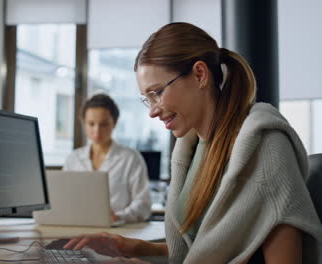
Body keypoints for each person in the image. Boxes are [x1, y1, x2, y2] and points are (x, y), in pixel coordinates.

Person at [63, 22, 322, 263]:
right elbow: (199, 253)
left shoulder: (266, 148)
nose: (152, 111)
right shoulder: (194, 151)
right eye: (147, 98)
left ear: (199, 75)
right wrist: (132, 248)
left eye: (158, 93)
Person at [63, 93, 152, 223]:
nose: (97, 131)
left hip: (119, 231)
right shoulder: (73, 159)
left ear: (114, 123)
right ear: (84, 123)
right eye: (91, 124)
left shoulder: (131, 158)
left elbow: (143, 205)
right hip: (79, 227)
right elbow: (65, 200)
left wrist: (119, 216)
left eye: (104, 124)